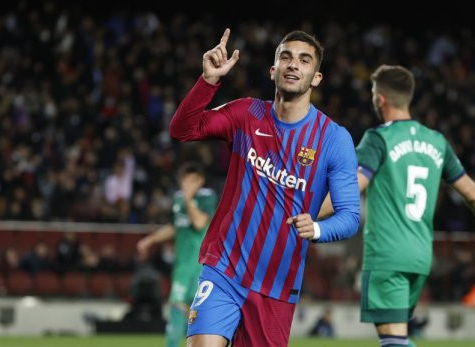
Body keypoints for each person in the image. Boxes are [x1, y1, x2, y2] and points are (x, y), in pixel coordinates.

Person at [169, 28, 360, 347]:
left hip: (276, 285)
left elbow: (350, 215)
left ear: (316, 77)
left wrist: (316, 229)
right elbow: (182, 130)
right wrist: (209, 82)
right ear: (273, 70)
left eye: (304, 60)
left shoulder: (333, 139)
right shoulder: (246, 114)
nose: (293, 64)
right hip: (224, 268)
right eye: (285, 57)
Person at [319, 65, 475, 347]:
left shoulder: (379, 139)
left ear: (381, 98)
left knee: (393, 341)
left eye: (374, 93)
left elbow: (350, 190)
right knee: (395, 338)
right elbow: (472, 192)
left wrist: (308, 215)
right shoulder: (436, 141)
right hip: (421, 258)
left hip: (388, 255)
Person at [137, 162, 217, 347]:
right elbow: (176, 226)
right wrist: (150, 240)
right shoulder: (179, 199)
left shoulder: (207, 198)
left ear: (200, 181)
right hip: (182, 266)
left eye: (192, 181)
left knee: (197, 313)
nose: (187, 185)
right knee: (178, 307)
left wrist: (189, 199)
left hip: (201, 266)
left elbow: (199, 223)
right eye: (185, 181)